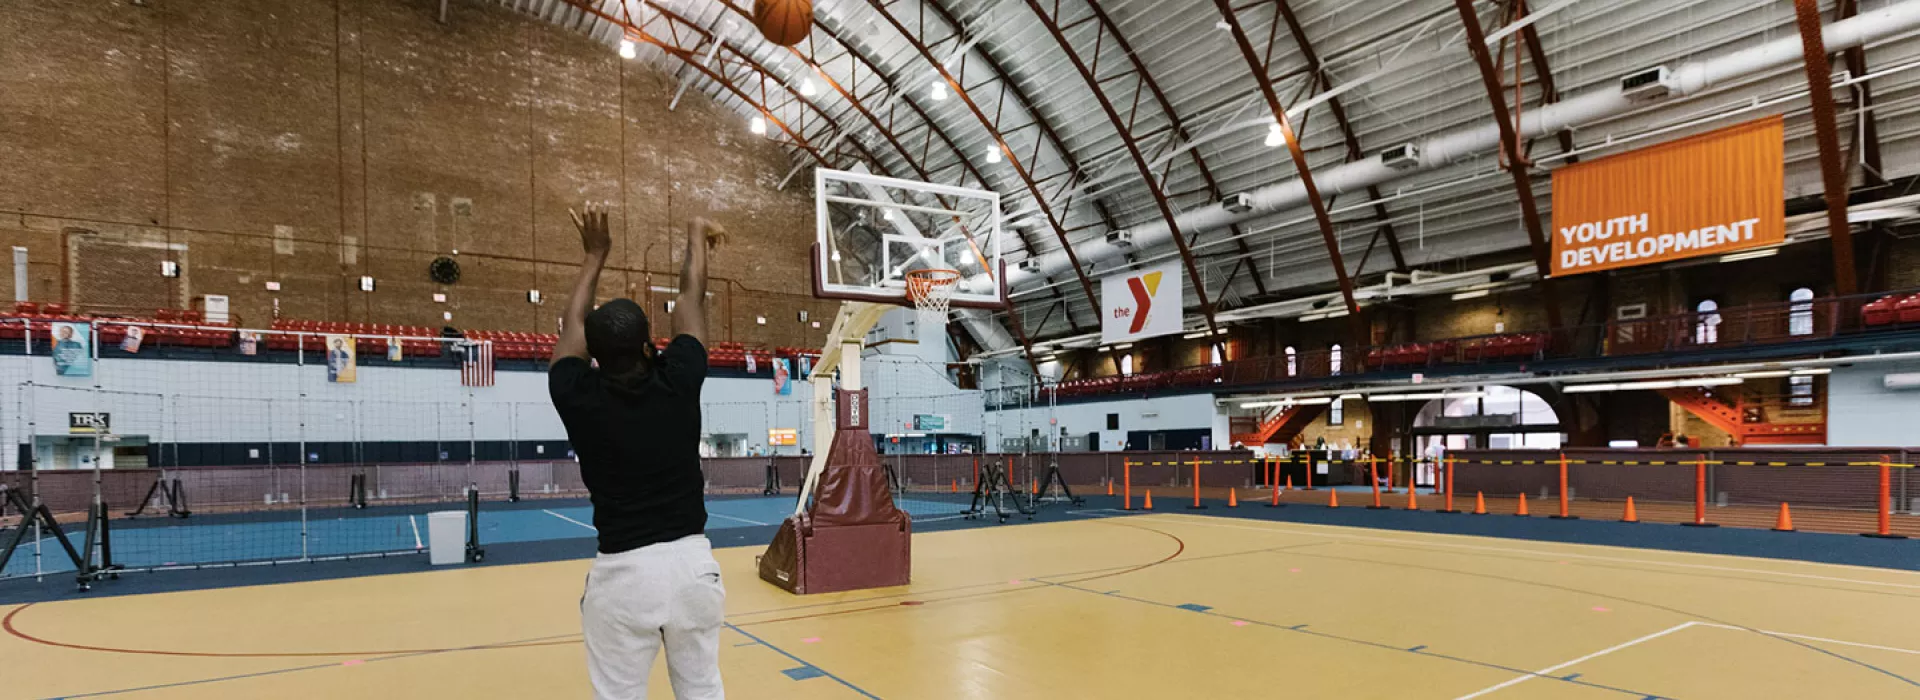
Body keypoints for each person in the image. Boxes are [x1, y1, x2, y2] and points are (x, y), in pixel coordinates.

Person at [550, 202, 728, 700]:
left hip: (622, 578)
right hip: (694, 569)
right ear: (652, 349)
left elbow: (571, 332)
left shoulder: (575, 393)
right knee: (703, 690)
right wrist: (694, 234)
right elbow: (692, 299)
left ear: (595, 357)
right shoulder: (678, 379)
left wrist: (594, 256)